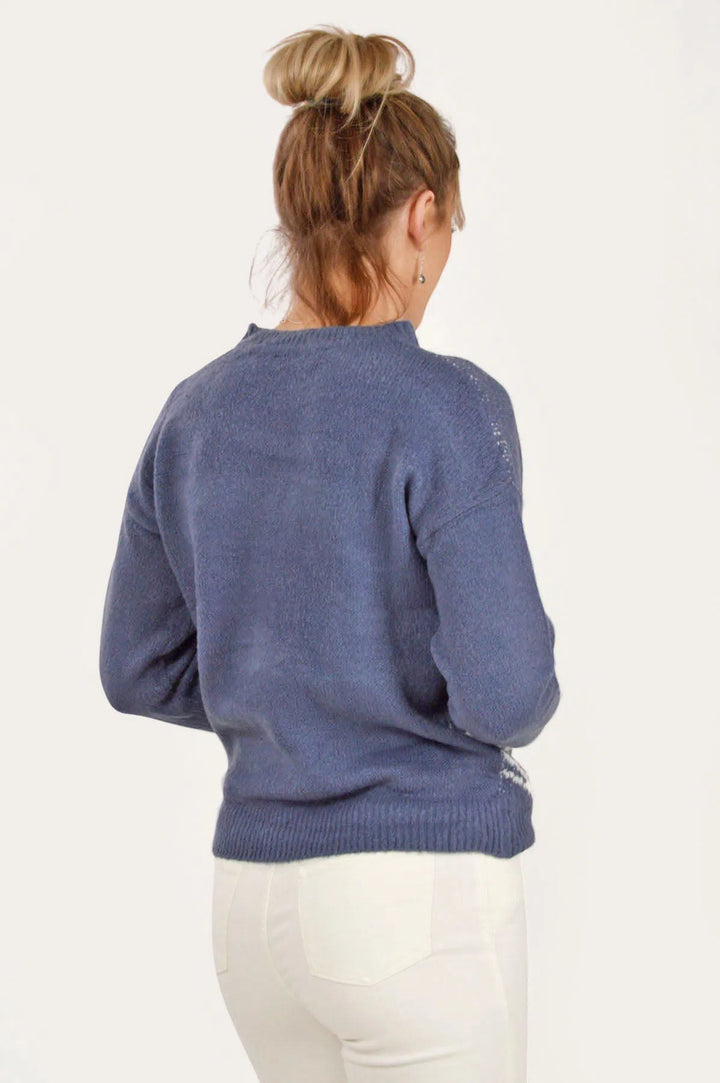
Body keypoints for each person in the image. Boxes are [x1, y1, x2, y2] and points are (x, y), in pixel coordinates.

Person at [98, 23, 561, 1083]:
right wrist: (378, 697)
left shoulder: (193, 414)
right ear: (422, 214)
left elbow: (136, 668)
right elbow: (510, 692)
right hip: (414, 902)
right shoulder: (447, 407)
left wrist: (293, 696)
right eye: (448, 232)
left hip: (253, 916)